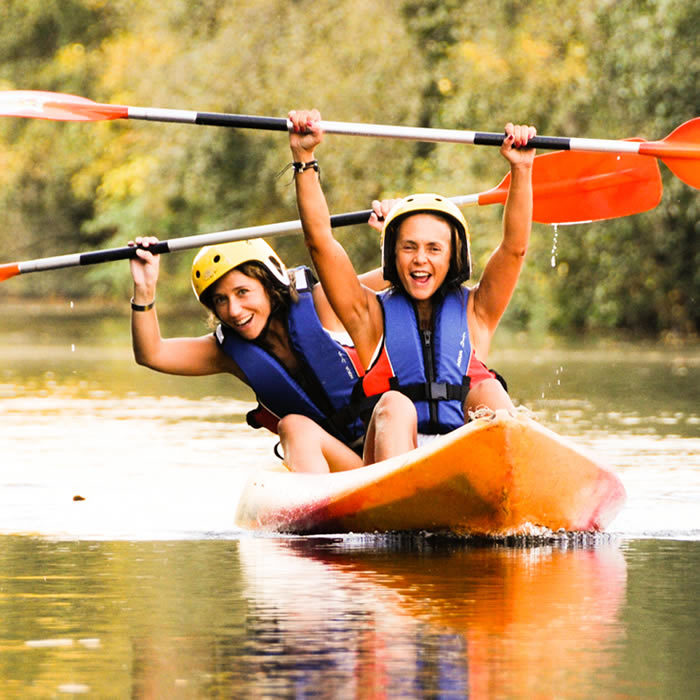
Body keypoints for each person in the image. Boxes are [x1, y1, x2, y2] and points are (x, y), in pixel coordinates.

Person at [288, 108, 536, 465]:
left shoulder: (477, 310)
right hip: (392, 465)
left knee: (489, 391)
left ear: (453, 258)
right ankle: (400, 506)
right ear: (393, 255)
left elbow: (514, 249)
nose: (420, 259)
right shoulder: (368, 315)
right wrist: (305, 158)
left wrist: (522, 169)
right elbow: (321, 244)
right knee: (395, 404)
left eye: (434, 249)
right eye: (409, 247)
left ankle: (512, 484)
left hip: (458, 463)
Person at [128, 235, 387, 473]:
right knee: (293, 426)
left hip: (389, 444)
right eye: (220, 300)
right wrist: (145, 288)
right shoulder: (227, 353)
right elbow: (152, 353)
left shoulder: (324, 301)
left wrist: (395, 228)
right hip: (341, 467)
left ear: (269, 283)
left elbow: (398, 276)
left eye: (242, 292)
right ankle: (319, 512)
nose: (234, 310)